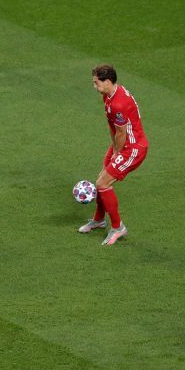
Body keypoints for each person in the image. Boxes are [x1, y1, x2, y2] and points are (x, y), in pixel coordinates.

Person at [78, 65, 149, 246]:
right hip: (120, 144)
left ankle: (118, 228)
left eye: (96, 83)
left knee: (103, 183)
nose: (94, 86)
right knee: (101, 180)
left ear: (107, 81)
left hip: (132, 149)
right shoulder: (108, 95)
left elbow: (121, 133)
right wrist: (114, 148)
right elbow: (113, 128)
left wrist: (117, 152)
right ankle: (99, 220)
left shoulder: (118, 103)